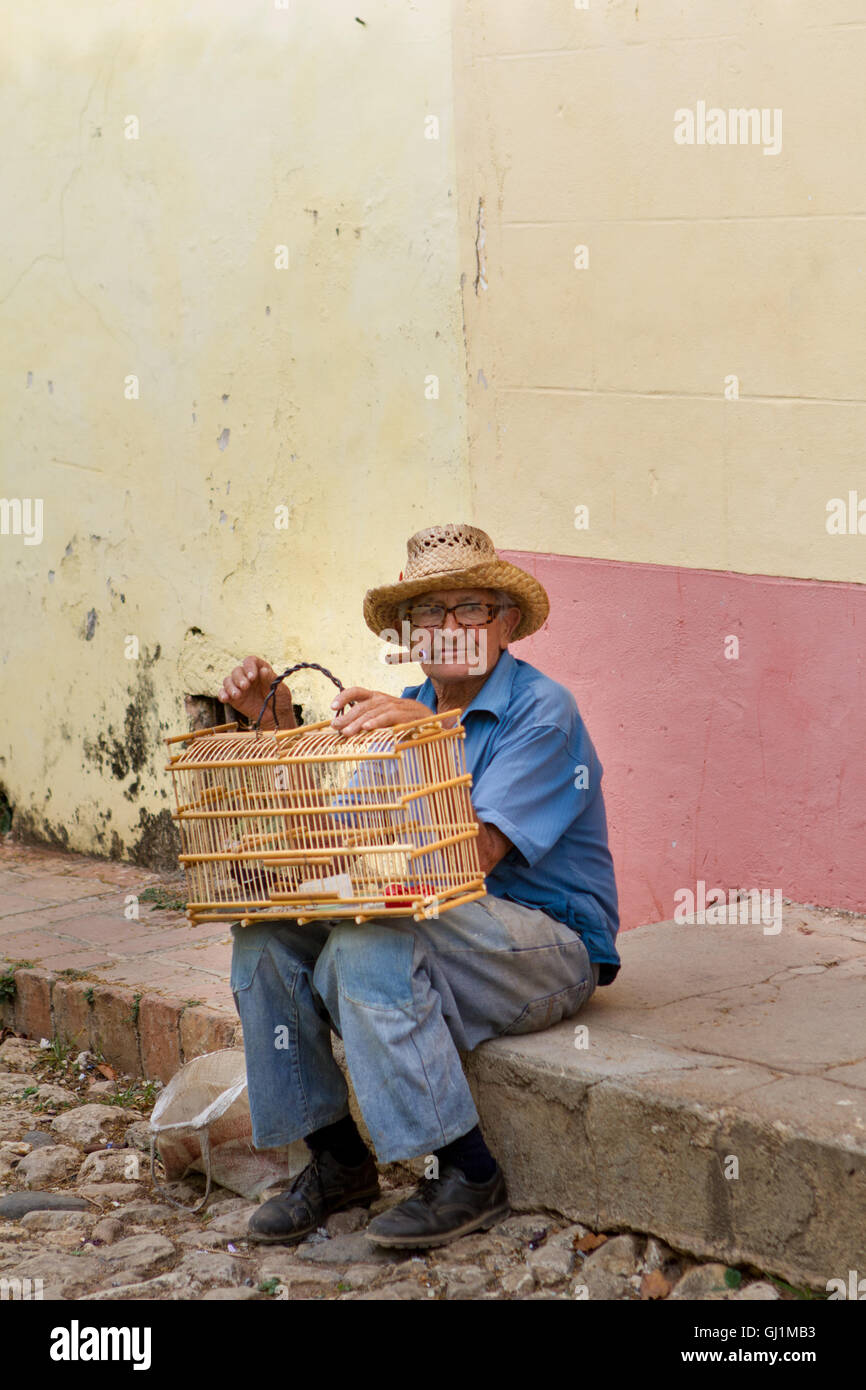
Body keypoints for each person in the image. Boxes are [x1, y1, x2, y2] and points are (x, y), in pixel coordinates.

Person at [217, 522, 620, 1249]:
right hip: (440, 919)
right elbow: (333, 852)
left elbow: (472, 856)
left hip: (545, 941)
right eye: (429, 613)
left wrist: (434, 735)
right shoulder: (396, 710)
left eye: (469, 607)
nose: (448, 626)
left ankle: (467, 1173)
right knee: (265, 938)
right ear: (408, 635)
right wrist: (278, 731)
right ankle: (337, 1160)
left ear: (506, 623)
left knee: (366, 945)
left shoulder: (542, 712)